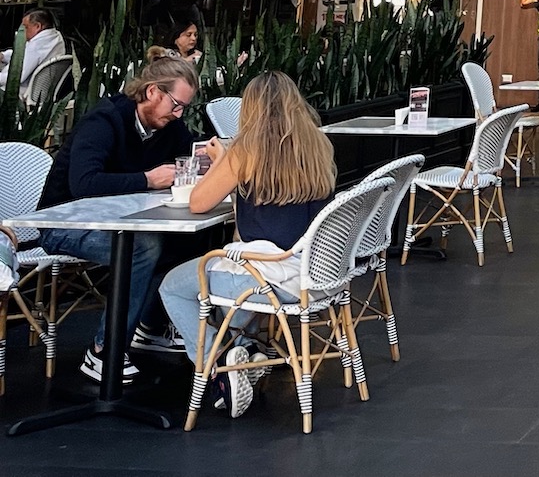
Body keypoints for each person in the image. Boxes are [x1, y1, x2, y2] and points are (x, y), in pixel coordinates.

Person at [157, 70, 335, 419]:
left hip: (265, 281)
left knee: (173, 287)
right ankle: (246, 350)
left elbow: (198, 202)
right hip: (313, 273)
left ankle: (219, 365)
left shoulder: (247, 151)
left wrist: (223, 159)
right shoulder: (318, 143)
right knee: (231, 271)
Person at [36, 54, 199, 380]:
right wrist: (147, 179)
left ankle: (150, 327)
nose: (179, 114)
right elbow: (84, 183)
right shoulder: (104, 121)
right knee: (143, 247)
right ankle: (104, 350)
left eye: (184, 108)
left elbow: (193, 150)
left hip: (124, 219)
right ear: (153, 92)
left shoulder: (169, 125)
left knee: (189, 240)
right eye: (176, 104)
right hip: (64, 224)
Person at [0, 7, 64, 88]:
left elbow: (16, 77)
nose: (23, 31)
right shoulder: (55, 37)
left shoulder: (37, 46)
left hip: (19, 91)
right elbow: (23, 56)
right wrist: (3, 56)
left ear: (37, 26)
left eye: (26, 27)